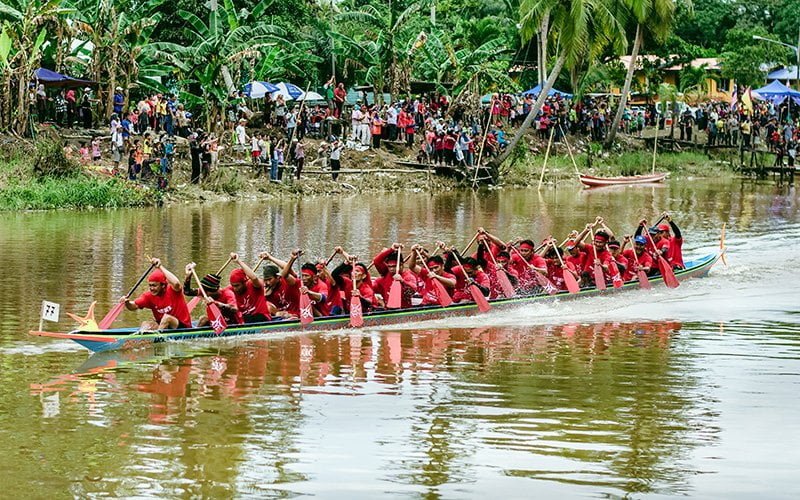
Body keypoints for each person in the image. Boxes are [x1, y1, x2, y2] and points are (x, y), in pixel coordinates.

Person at [121, 257, 192, 331]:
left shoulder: (173, 290)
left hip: (182, 326)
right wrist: (127, 302)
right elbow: (134, 306)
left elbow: (176, 283)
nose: (151, 288)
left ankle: (157, 337)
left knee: (166, 318)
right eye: (150, 285)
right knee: (146, 324)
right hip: (163, 325)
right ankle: (143, 339)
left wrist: (160, 267)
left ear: (163, 285)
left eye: (154, 285)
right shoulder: (148, 296)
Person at [372, 243, 419, 308]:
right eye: (389, 266)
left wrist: (402, 281)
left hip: (404, 309)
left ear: (402, 265)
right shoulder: (386, 272)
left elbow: (412, 291)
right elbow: (376, 261)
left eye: (394, 266)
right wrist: (391, 249)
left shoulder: (408, 276)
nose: (391, 269)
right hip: (388, 309)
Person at [259, 251, 301, 318]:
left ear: (277, 277)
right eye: (265, 280)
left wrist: (270, 258)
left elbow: (285, 268)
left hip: (296, 314)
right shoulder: (267, 289)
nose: (268, 283)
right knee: (266, 305)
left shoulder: (288, 281)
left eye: (270, 279)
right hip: (280, 315)